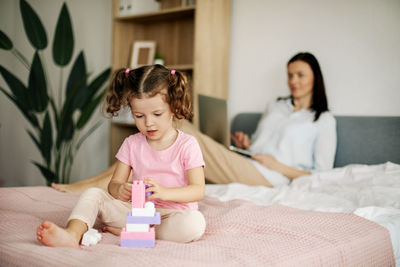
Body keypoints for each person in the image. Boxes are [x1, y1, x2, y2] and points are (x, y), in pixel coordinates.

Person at [52, 52, 336, 193]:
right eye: (290, 75)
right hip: (248, 160)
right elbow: (265, 142)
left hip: (271, 177)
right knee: (176, 132)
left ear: (316, 77)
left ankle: (96, 183)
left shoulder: (324, 120)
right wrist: (246, 143)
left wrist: (277, 165)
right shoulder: (276, 107)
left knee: (181, 130)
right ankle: (100, 181)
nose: (293, 81)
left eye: (300, 75)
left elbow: (323, 173)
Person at [37, 65, 207, 248]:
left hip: (172, 214)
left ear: (174, 107)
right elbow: (113, 184)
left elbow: (198, 190)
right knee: (93, 194)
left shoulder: (187, 145)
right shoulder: (131, 143)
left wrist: (164, 193)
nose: (148, 123)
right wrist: (120, 190)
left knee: (194, 224)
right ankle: (72, 234)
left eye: (157, 114)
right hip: (136, 213)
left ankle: (136, 232)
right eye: (139, 115)